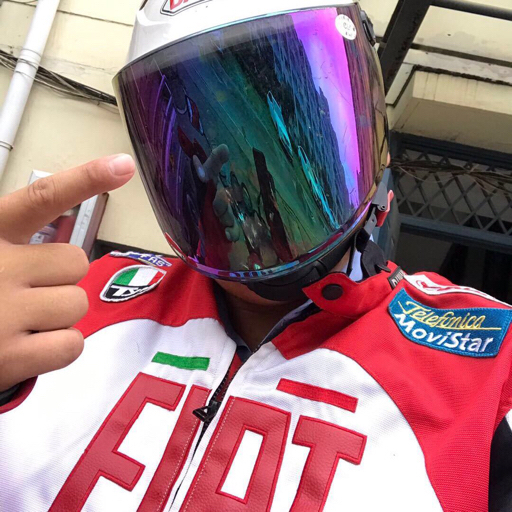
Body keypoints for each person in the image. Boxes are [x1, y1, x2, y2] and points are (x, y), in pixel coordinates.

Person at [0, 1, 511, 511]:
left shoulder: (491, 360)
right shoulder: (77, 303)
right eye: (205, 151)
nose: (244, 196)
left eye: (285, 149)